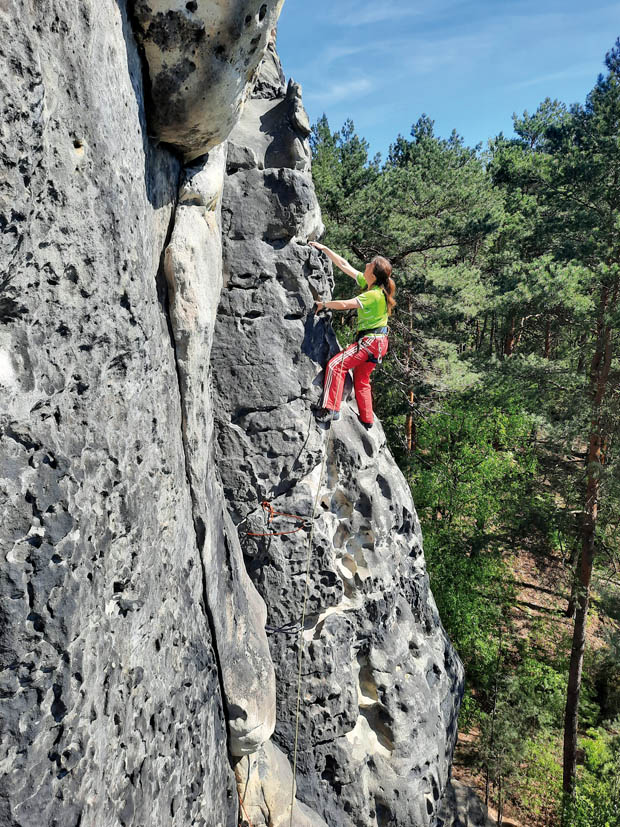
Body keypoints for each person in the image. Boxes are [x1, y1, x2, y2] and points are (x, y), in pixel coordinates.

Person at [308, 242, 396, 428]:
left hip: (371, 342)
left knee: (335, 365)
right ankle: (367, 419)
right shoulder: (372, 286)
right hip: (379, 343)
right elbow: (344, 265)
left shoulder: (373, 294)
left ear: (373, 274)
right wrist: (325, 249)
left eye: (370, 265)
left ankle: (331, 410)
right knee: (362, 379)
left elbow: (346, 304)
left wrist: (323, 304)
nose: (366, 265)